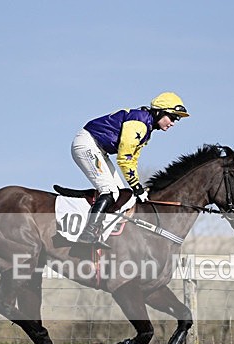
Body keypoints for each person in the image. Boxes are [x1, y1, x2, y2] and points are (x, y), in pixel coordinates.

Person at [71, 92, 190, 246]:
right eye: (172, 117)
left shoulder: (146, 129)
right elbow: (124, 158)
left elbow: (132, 161)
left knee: (123, 197)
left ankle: (100, 232)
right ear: (159, 112)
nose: (173, 123)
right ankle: (88, 233)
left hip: (99, 150)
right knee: (109, 191)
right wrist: (136, 187)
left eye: (176, 119)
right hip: (87, 144)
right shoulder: (139, 124)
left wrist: (137, 187)